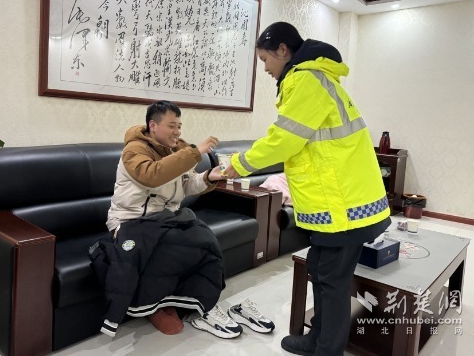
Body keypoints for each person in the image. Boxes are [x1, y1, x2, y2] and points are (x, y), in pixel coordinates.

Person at [223, 22, 391, 356]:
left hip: (342, 203)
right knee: (320, 271)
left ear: (283, 50)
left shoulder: (306, 79)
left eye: (265, 60)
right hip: (336, 201)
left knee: (332, 280)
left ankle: (327, 349)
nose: (265, 69)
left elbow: (283, 140)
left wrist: (238, 164)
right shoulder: (311, 77)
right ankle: (317, 339)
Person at [102, 100, 245, 339]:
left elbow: (187, 184)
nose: (177, 132)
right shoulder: (134, 151)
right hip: (131, 222)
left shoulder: (177, 150)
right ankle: (156, 306)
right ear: (153, 126)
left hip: (166, 220)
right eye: (171, 126)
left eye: (179, 126)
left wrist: (210, 176)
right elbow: (152, 175)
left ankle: (195, 302)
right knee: (172, 247)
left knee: (205, 240)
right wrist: (194, 152)